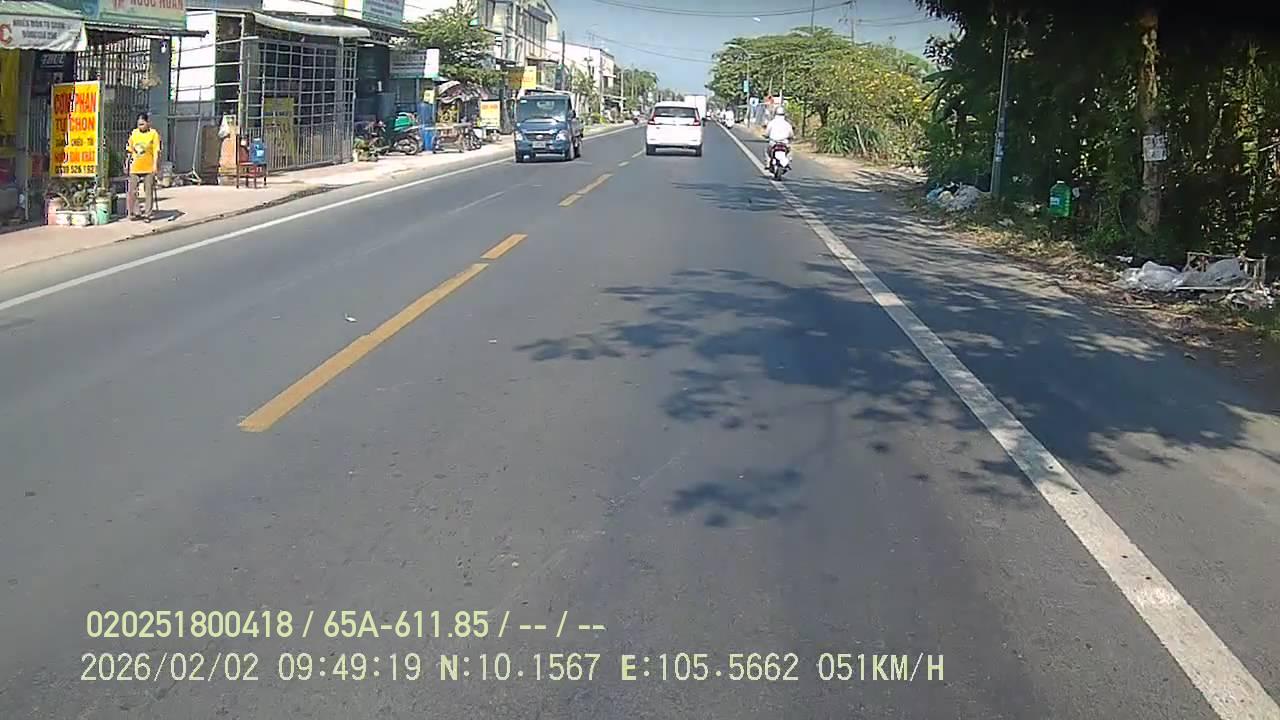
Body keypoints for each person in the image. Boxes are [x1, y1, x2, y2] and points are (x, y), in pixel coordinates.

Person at [125, 112, 161, 222]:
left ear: (148, 123)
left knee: (148, 190)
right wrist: (126, 163)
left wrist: (155, 165)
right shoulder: (134, 133)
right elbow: (129, 150)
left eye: (142, 124)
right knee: (132, 191)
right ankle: (135, 212)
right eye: (139, 124)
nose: (140, 126)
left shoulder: (153, 134)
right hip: (135, 166)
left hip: (148, 166)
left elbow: (156, 151)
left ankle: (147, 214)